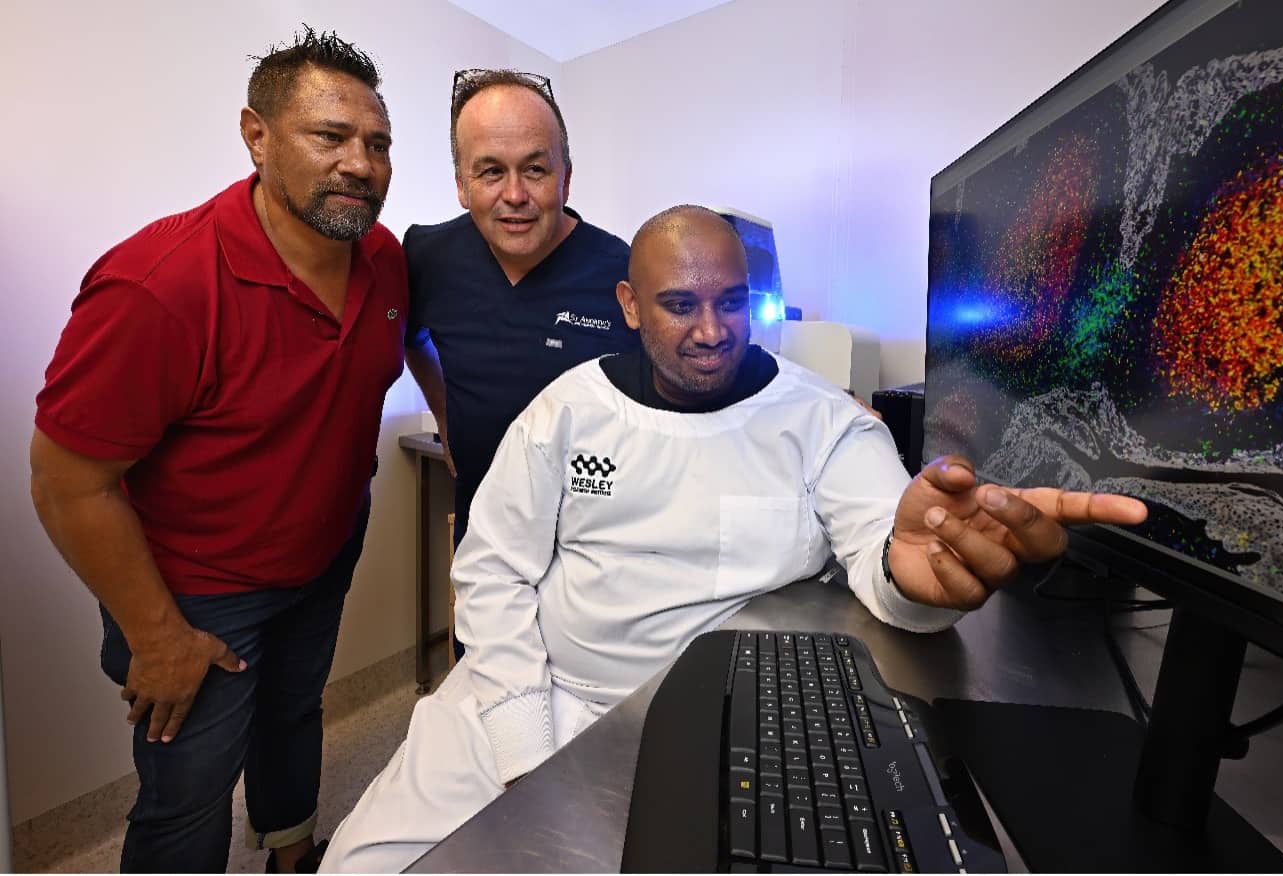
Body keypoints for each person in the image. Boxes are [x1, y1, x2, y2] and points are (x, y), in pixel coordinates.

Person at [320, 206, 1148, 872]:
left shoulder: (822, 420)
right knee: (362, 863)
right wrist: (522, 737)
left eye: (730, 302)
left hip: (710, 722)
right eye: (680, 304)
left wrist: (917, 583)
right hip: (530, 690)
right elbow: (493, 575)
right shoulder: (565, 412)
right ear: (631, 306)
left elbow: (885, 554)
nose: (711, 331)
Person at [29, 28, 405, 874]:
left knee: (294, 716)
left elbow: (397, 359)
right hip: (197, 593)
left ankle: (291, 851)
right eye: (330, 136)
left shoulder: (380, 256)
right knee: (187, 790)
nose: (360, 162)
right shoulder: (157, 285)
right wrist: (157, 637)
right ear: (257, 135)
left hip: (322, 554)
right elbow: (65, 483)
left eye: (377, 143)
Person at [401, 69, 638, 595]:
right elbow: (412, 338)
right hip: (485, 554)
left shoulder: (624, 271)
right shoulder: (426, 256)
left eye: (534, 169)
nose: (515, 195)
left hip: (597, 561)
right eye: (490, 172)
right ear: (462, 184)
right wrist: (447, 417)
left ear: (565, 179)